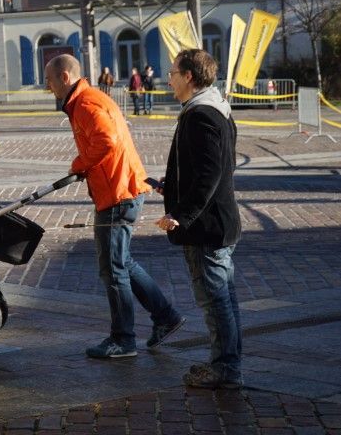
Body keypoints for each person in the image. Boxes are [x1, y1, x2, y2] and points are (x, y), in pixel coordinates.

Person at [45, 54, 184, 359]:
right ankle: (165, 316)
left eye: (50, 80)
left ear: (65, 78)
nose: (47, 87)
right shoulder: (89, 98)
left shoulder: (85, 103)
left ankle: (123, 339)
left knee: (113, 268)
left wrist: (79, 164)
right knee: (122, 263)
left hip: (118, 193)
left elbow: (106, 140)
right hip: (122, 189)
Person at [154, 48, 243, 389]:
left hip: (207, 227)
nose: (169, 79)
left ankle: (226, 370)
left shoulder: (202, 113)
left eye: (173, 72)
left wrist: (181, 214)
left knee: (216, 301)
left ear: (189, 76)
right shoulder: (210, 108)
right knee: (223, 300)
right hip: (216, 223)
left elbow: (210, 174)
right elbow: (202, 169)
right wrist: (171, 187)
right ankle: (226, 365)